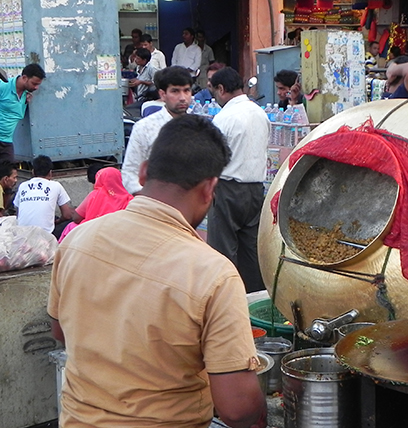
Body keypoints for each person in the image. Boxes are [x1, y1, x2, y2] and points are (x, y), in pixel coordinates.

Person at [48, 114, 267, 428]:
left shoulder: (77, 239)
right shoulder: (214, 273)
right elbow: (237, 408)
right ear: (210, 189)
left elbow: (60, 331)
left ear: (144, 171)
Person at [209, 67, 271, 292]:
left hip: (227, 188)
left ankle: (225, 298)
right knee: (250, 251)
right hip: (255, 189)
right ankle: (256, 299)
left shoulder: (223, 118)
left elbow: (214, 157)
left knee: (223, 251)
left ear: (222, 89)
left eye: (214, 91)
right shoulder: (260, 113)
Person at [122, 66, 192, 195]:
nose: (182, 98)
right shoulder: (145, 128)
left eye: (186, 91)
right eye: (175, 91)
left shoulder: (198, 126)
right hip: (155, 203)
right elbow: (130, 173)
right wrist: (149, 201)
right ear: (162, 94)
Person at [58, 167, 133, 242]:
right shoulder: (129, 198)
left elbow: (76, 218)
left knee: (71, 226)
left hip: (93, 233)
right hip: (119, 234)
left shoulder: (95, 195)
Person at [14, 155, 74, 235]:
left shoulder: (23, 186)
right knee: (72, 222)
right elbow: (67, 215)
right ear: (50, 173)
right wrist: (58, 221)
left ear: (33, 172)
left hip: (22, 235)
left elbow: (18, 214)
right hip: (45, 235)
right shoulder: (56, 186)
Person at [0, 64, 45, 163]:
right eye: (34, 83)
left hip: (7, 141)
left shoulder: (26, 94)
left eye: (38, 84)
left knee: (8, 173)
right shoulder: (3, 87)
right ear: (24, 78)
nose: (36, 87)